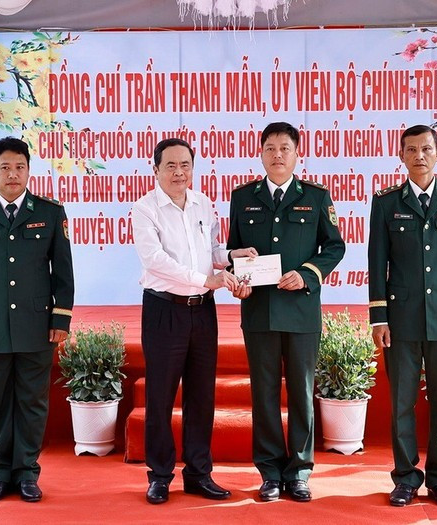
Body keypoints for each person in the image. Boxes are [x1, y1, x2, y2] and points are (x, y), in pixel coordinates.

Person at [132, 138, 257, 504]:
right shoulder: (144, 209)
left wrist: (231, 255)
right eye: (170, 166)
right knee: (160, 396)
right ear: (155, 170)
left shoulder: (202, 203)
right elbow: (155, 260)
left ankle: (198, 474)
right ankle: (159, 476)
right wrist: (208, 280)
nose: (178, 172)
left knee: (202, 396)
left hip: (202, 310)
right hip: (163, 310)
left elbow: (211, 251)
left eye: (185, 165)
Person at [227, 122, 345, 503]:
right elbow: (234, 250)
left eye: (285, 148)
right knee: (263, 395)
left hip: (301, 311)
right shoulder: (243, 197)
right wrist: (237, 276)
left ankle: (299, 471)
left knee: (300, 393)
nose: (278, 154)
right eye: (271, 148)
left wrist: (308, 273)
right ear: (261, 153)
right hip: (259, 311)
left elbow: (334, 246)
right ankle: (269, 472)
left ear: (297, 154)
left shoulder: (315, 196)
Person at [0, 137, 74, 504]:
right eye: (5, 167)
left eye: (19, 167)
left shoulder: (50, 213)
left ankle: (27, 472)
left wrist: (61, 319)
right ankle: (0, 470)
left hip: (37, 325)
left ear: (28, 170)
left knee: (33, 401)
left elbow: (63, 274)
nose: (12, 174)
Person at [367, 124, 437, 507]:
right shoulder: (385, 203)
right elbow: (376, 261)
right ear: (401, 156)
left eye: (426, 148)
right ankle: (405, 477)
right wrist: (379, 318)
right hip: (400, 318)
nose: (419, 156)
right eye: (411, 150)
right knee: (402, 399)